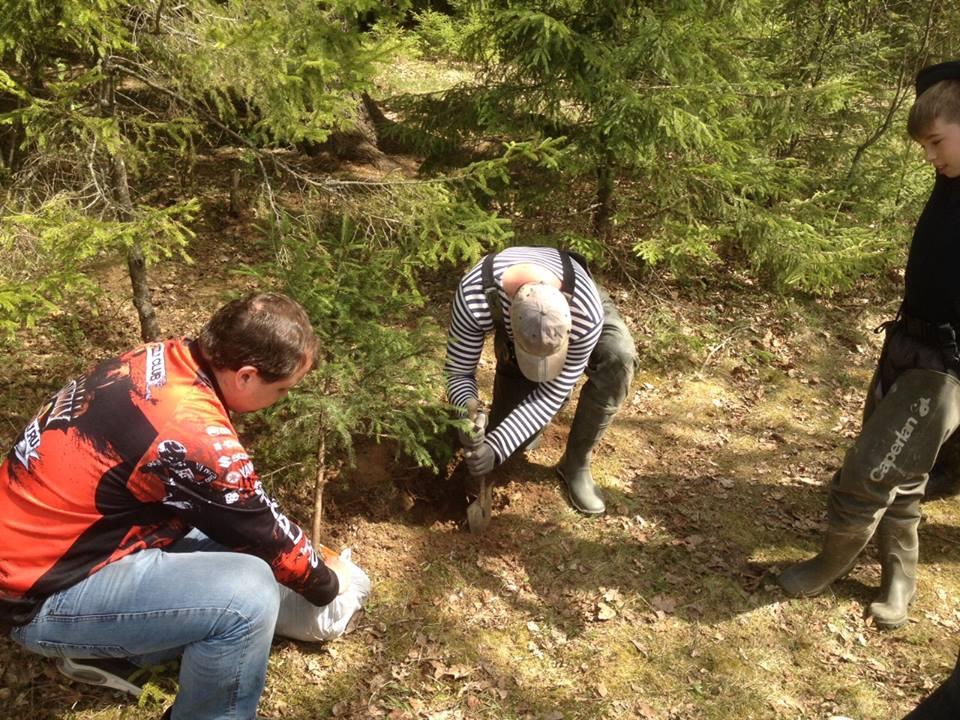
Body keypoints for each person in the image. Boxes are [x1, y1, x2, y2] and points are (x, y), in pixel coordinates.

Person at [0, 293, 352, 720]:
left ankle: (116, 651)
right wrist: (328, 588)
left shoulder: (160, 359)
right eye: (281, 389)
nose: (282, 398)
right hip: (39, 597)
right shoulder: (188, 428)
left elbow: (240, 511)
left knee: (228, 548)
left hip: (53, 554)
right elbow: (265, 533)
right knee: (246, 597)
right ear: (245, 376)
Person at [778, 61, 960, 629]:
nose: (929, 157)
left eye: (936, 142)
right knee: (901, 469)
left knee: (868, 471)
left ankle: (830, 563)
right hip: (905, 342)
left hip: (946, 366)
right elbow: (934, 75)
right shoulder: (949, 178)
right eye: (924, 147)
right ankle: (899, 574)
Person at [444, 246, 638, 515]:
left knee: (619, 356)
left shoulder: (585, 313)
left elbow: (552, 392)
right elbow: (459, 371)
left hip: (579, 297)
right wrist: (466, 408)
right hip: (512, 330)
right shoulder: (474, 297)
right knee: (518, 440)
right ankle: (525, 393)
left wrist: (496, 447)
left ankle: (576, 463)